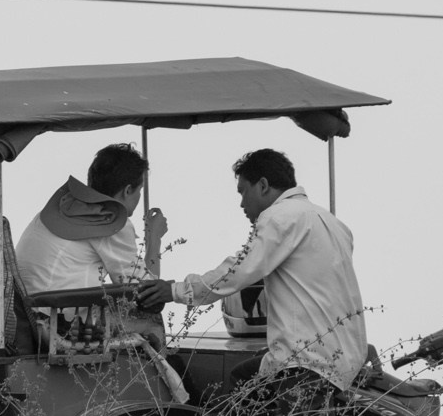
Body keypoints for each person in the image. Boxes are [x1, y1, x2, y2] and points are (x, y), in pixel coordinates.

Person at [135, 148, 367, 388]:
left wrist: (175, 290)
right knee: (244, 378)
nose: (241, 203)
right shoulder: (333, 223)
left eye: (243, 192)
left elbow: (238, 272)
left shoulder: (280, 216)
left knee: (247, 392)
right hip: (345, 360)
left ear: (263, 185)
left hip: (306, 362)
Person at [15, 143, 168, 295]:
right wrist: (154, 238)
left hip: (23, 306)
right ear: (127, 191)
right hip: (56, 309)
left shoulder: (62, 206)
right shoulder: (109, 222)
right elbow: (144, 291)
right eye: (140, 190)